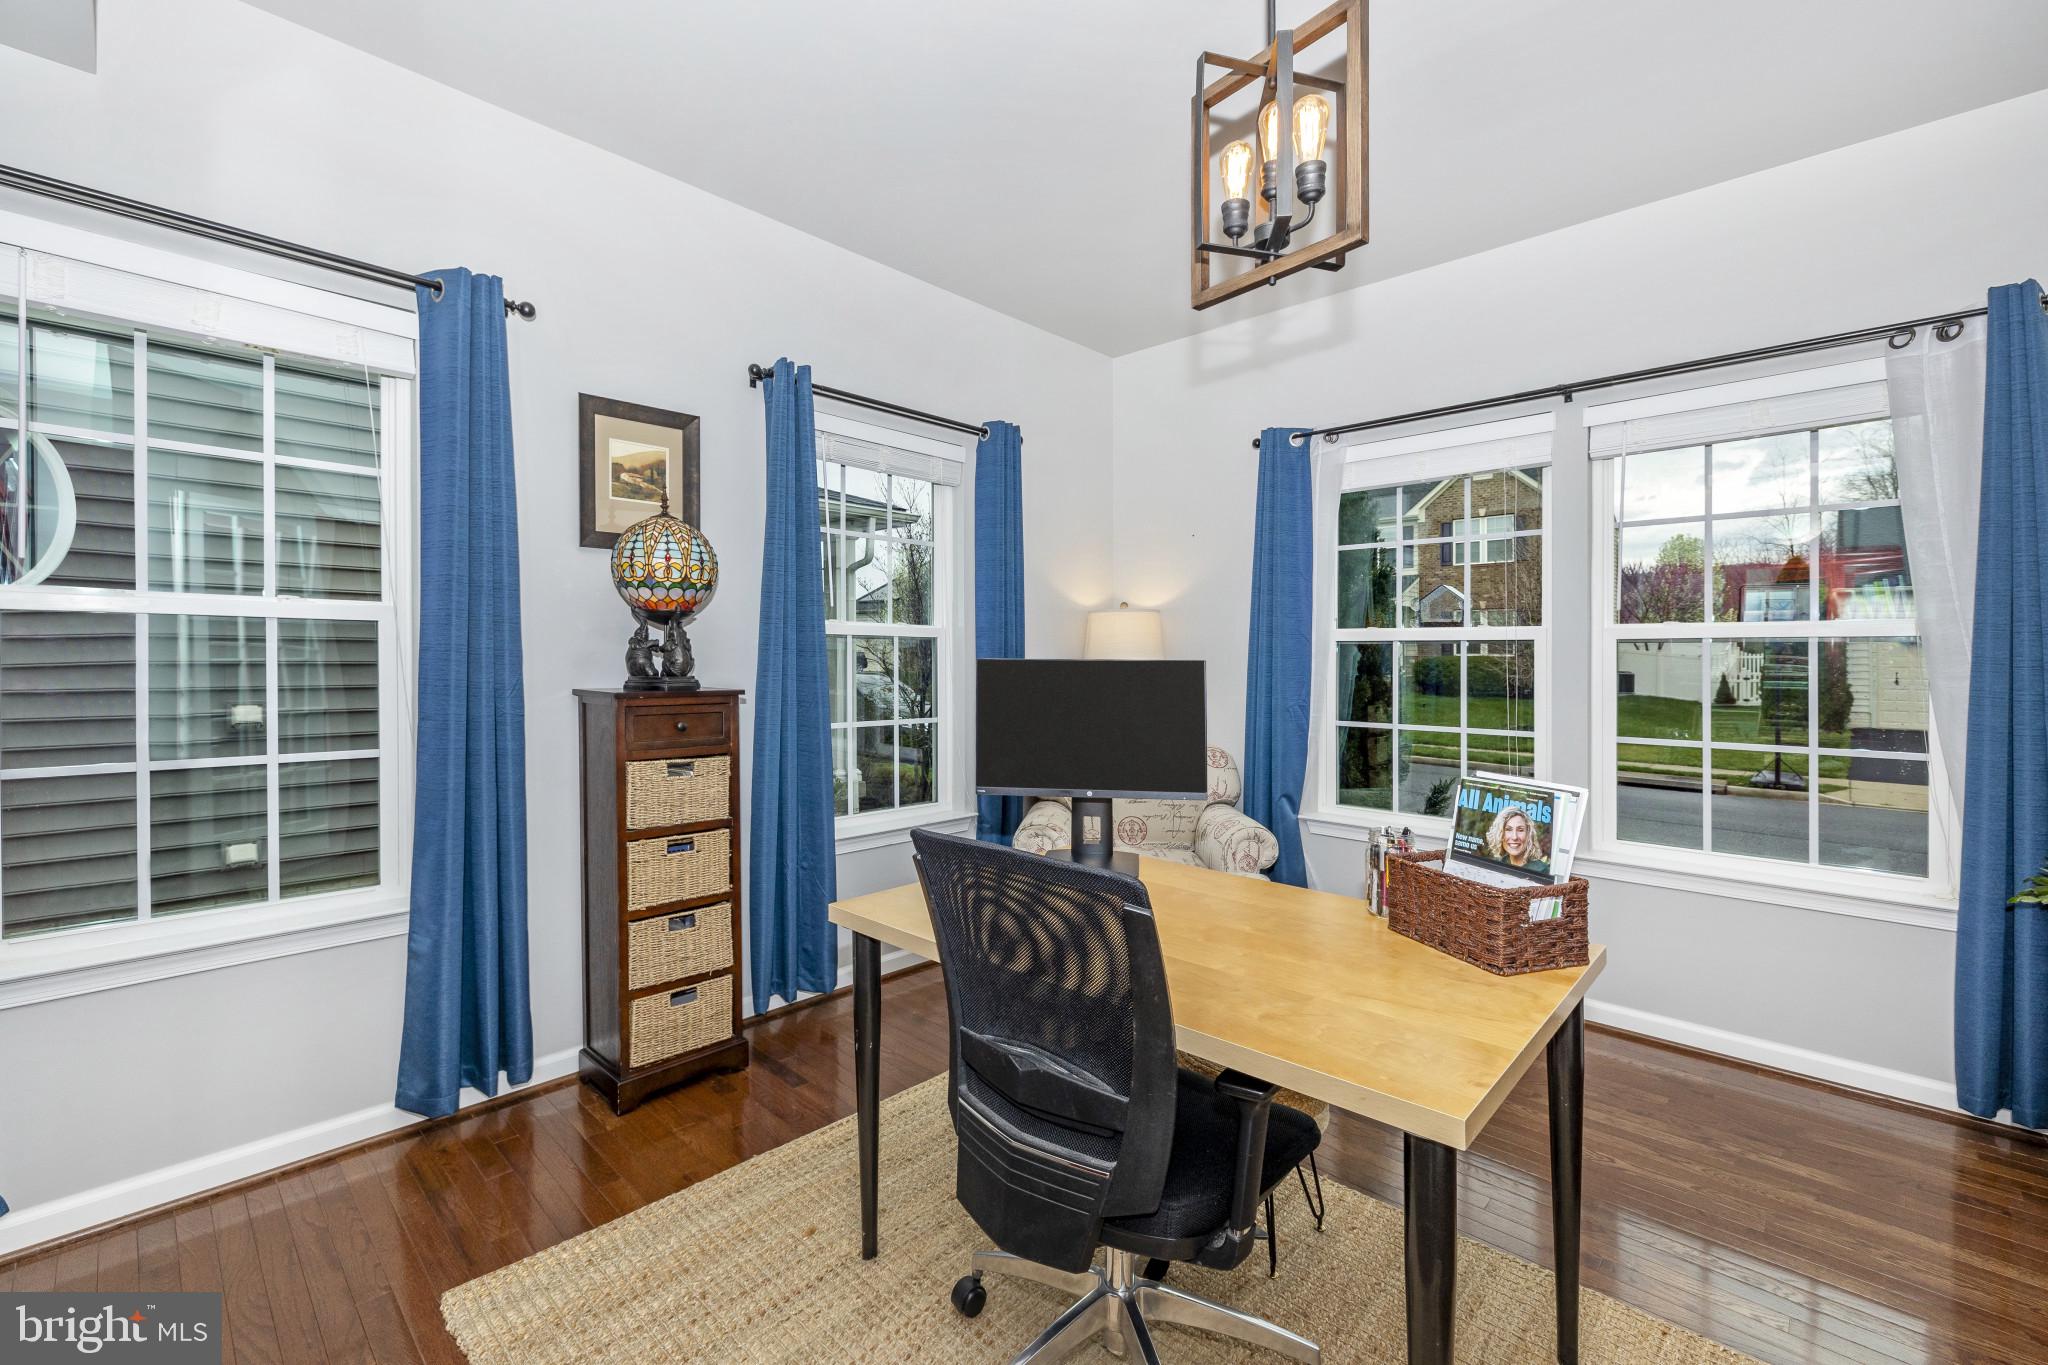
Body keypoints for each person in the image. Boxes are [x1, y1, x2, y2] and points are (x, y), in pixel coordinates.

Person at [1484, 805, 1549, 874]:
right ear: (1500, 834)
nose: (1514, 837)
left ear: (1529, 835)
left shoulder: (1540, 870)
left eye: (1520, 830)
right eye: (1508, 829)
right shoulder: (1498, 864)